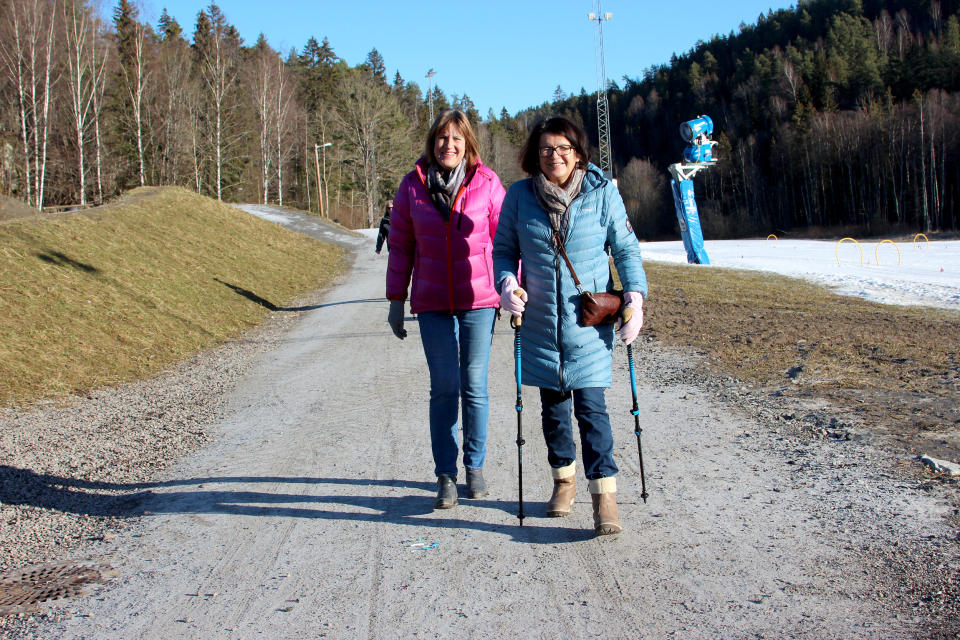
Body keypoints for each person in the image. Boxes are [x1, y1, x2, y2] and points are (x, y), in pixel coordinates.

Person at [492, 115, 647, 536]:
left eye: (563, 148)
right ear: (534, 155)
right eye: (546, 149)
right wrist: (506, 283)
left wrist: (634, 294)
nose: (554, 156)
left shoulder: (601, 194)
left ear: (577, 152)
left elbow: (626, 248)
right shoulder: (520, 197)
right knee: (554, 412)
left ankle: (605, 496)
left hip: (588, 325)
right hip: (541, 323)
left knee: (592, 411)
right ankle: (564, 481)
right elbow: (503, 250)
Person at [385, 110, 506, 510]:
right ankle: (446, 475)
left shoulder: (488, 184)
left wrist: (515, 288)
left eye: (456, 139)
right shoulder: (412, 187)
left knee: (474, 386)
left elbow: (507, 241)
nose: (448, 146)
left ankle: (475, 466)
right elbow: (400, 247)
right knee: (444, 389)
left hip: (479, 300)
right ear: (431, 143)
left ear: (468, 143)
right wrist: (395, 302)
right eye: (441, 138)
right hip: (433, 301)